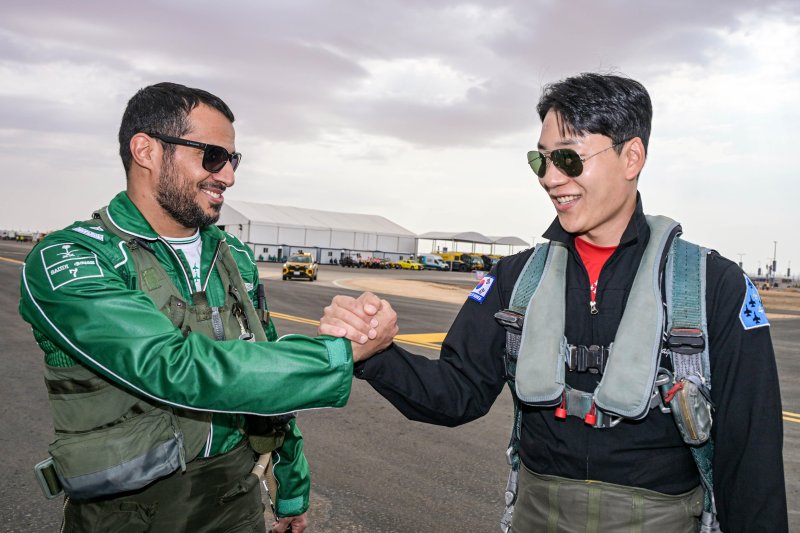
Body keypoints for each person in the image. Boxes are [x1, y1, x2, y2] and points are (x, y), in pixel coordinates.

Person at [320, 73, 787, 532]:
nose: (550, 177)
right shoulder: (515, 279)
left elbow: (752, 457)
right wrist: (375, 354)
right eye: (539, 160)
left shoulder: (713, 287)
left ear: (632, 156)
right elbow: (454, 394)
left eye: (568, 158)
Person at [19, 82, 394, 533]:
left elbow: (264, 368)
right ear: (146, 150)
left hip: (236, 499)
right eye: (213, 156)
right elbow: (171, 366)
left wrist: (292, 485)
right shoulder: (72, 259)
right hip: (128, 513)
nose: (229, 177)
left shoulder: (234, 256)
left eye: (233, 160)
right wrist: (339, 354)